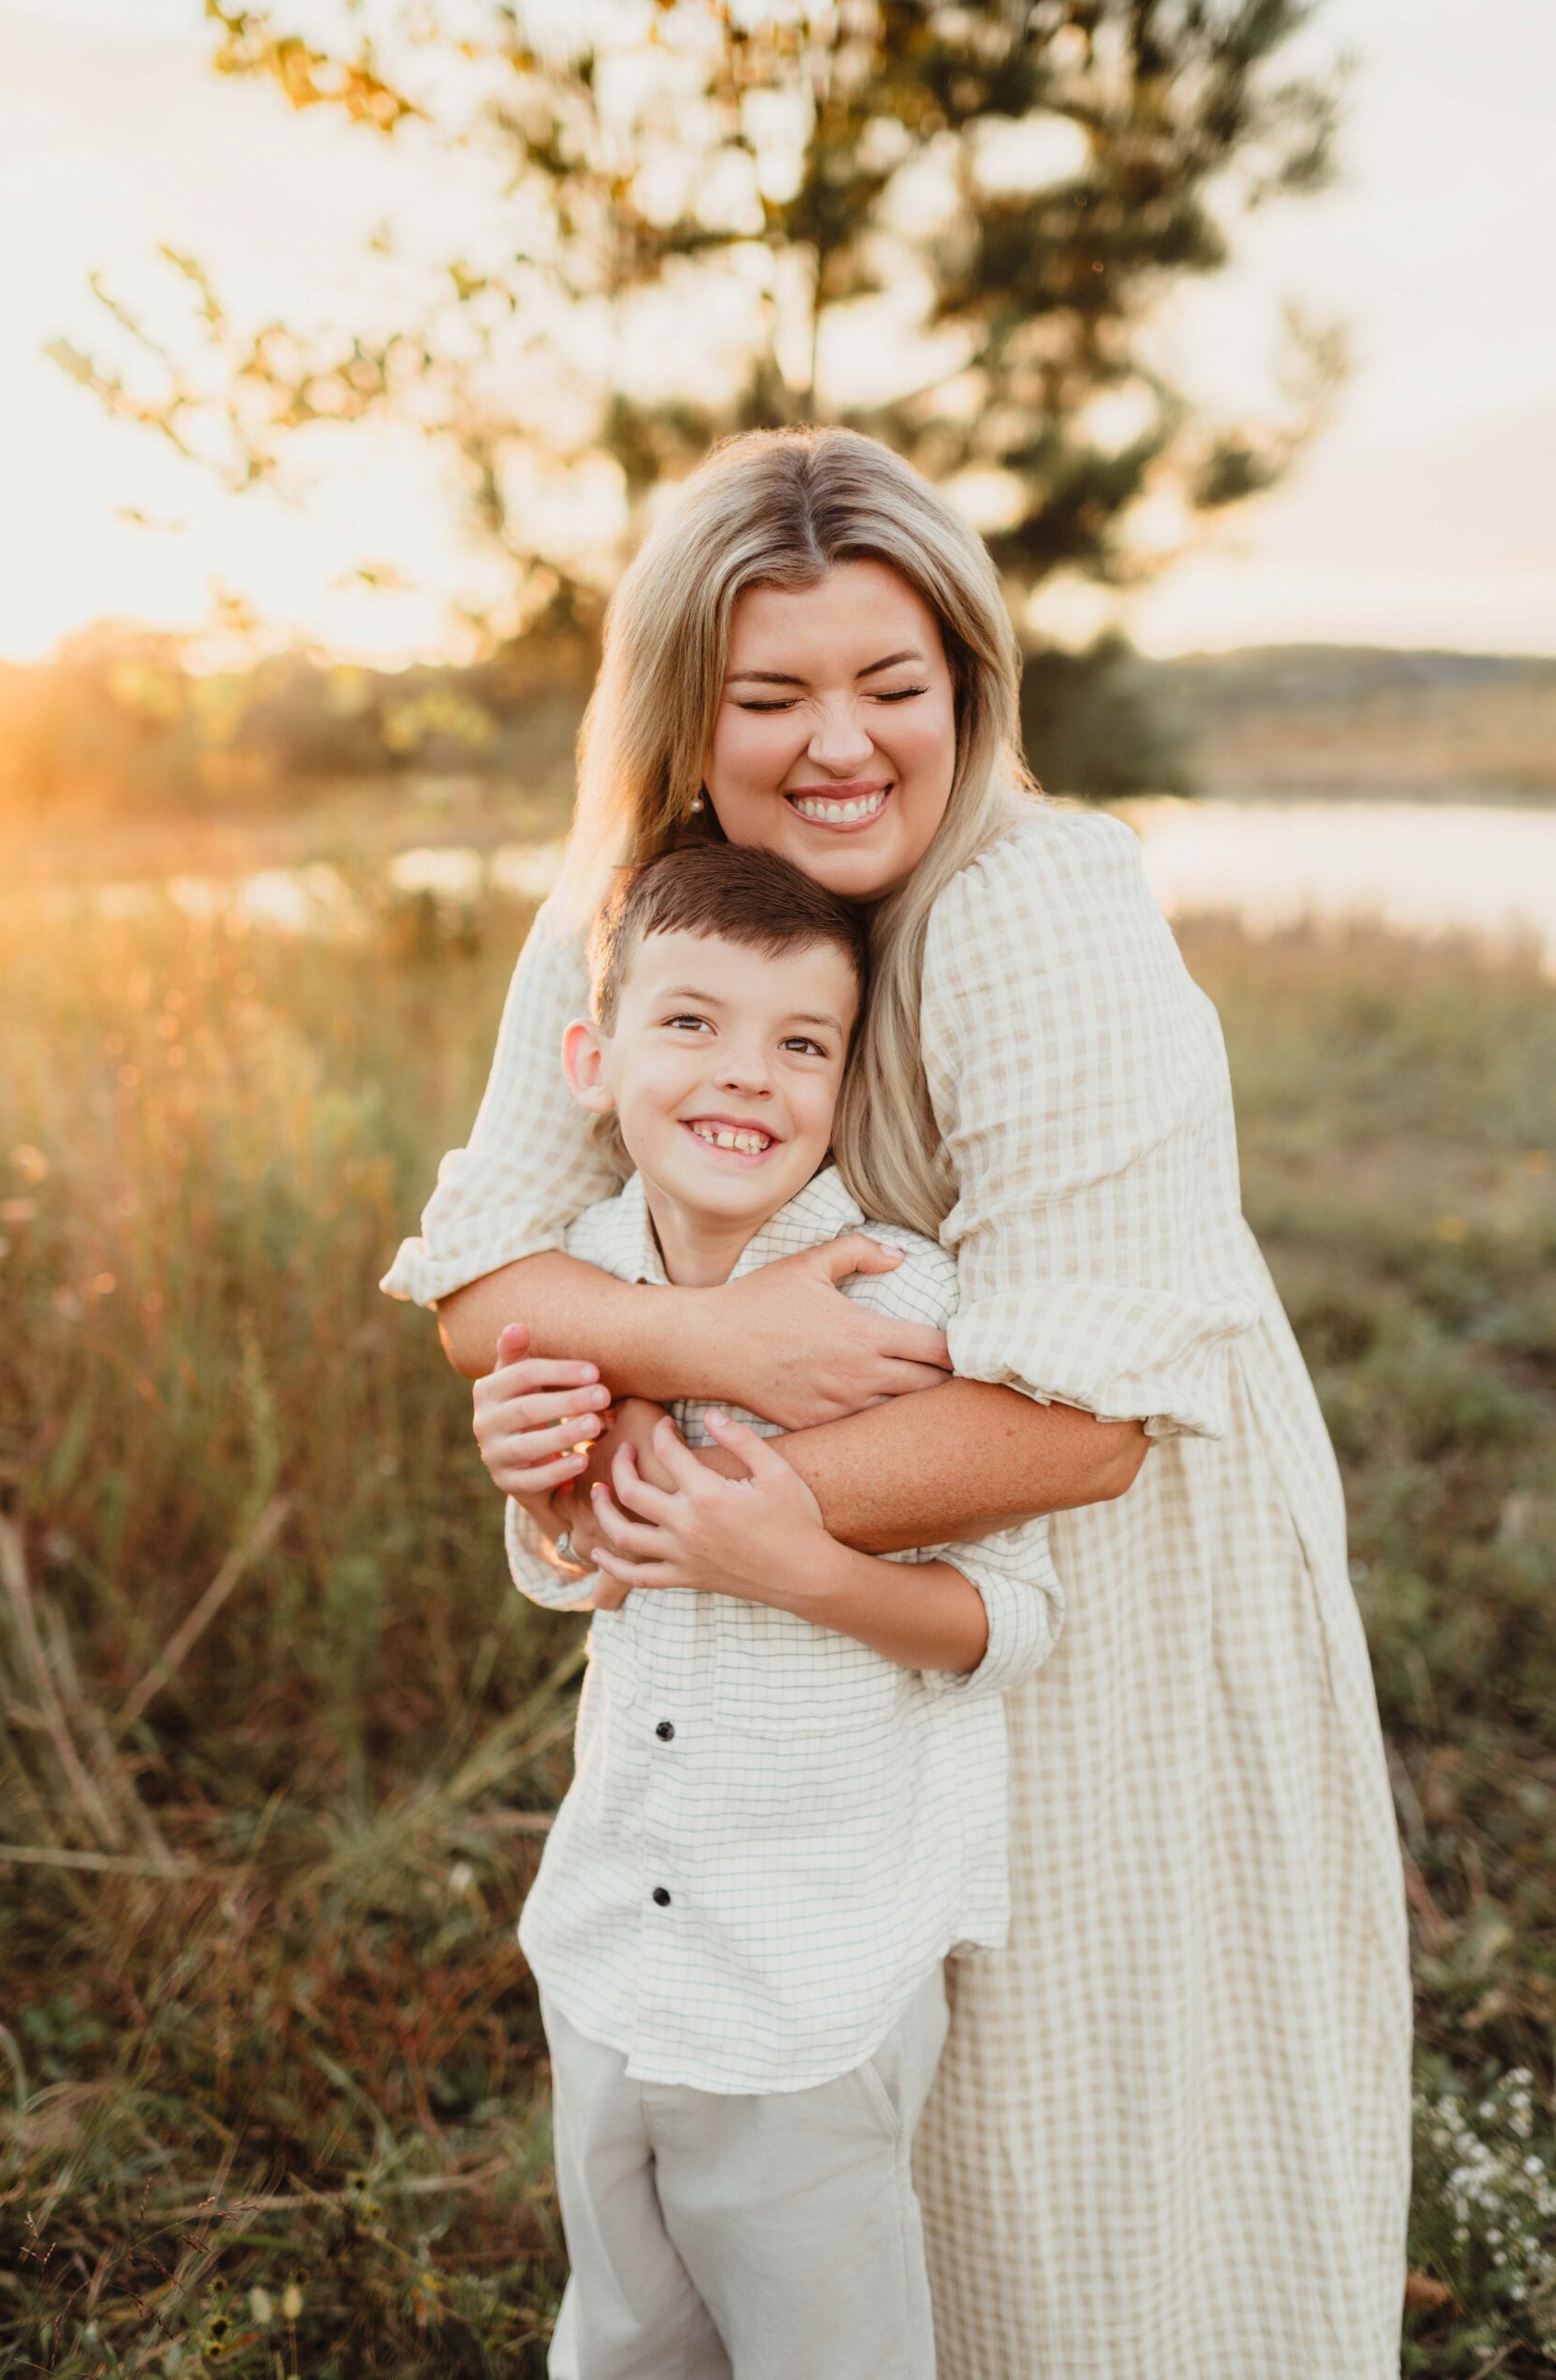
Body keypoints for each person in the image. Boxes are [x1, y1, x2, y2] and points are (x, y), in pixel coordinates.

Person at [382, 425, 1413, 2379]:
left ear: (967, 691)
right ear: (690, 709)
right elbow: (481, 1272)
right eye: (770, 693)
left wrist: (673, 1495)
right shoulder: (621, 911)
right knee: (814, 2134)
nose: (838, 742)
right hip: (800, 1617)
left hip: (1097, 1605)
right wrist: (721, 1351)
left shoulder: (1033, 903)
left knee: (1078, 2179)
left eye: (892, 685)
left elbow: (1078, 1427)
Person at [493, 837, 1064, 2378]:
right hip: (611, 1944)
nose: (745, 1076)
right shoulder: (575, 1290)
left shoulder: (908, 1308)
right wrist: (532, 1474)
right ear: (591, 1059)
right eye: (690, 1023)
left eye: (799, 1042)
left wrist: (803, 1568)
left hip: (814, 1981)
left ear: (844, 1077)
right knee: (622, 2336)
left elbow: (1015, 1619)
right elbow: (563, 1569)